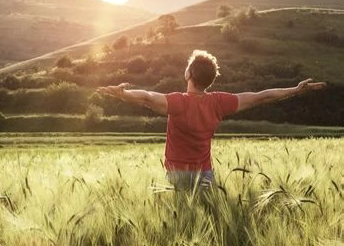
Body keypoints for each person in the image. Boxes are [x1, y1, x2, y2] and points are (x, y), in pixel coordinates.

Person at [97, 50, 326, 190]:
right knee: (209, 220)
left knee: (181, 224)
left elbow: (147, 97)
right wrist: (296, 89)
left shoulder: (178, 102)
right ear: (211, 80)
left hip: (177, 173)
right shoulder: (219, 102)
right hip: (205, 173)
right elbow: (261, 97)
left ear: (188, 75)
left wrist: (124, 94)